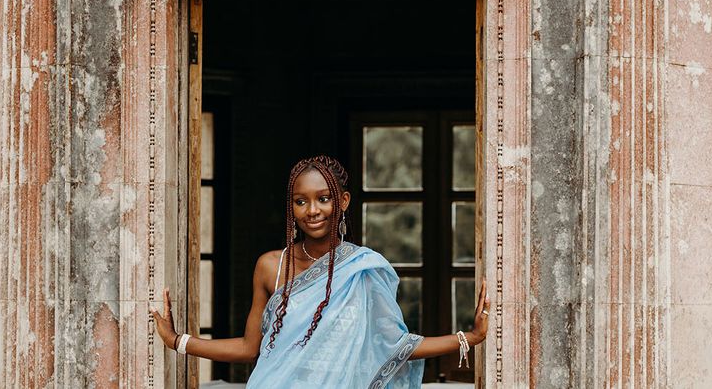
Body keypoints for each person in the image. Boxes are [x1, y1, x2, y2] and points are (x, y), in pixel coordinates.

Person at [153, 155, 490, 388]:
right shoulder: (271, 266)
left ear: (342, 201)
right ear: (292, 206)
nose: (312, 211)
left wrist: (469, 337)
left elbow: (395, 345)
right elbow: (248, 347)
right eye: (301, 201)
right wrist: (177, 341)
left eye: (323, 199)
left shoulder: (363, 269)